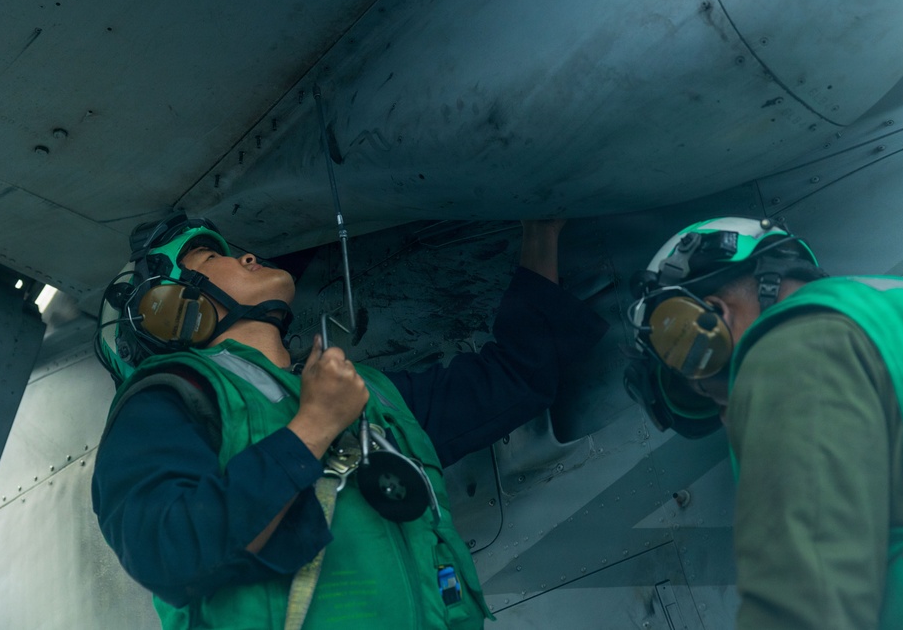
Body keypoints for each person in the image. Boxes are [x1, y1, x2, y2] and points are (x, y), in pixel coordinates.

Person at [91, 211, 607, 630]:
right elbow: (166, 549)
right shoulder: (168, 399)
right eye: (212, 256)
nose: (246, 254)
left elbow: (515, 379)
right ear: (169, 309)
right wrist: (313, 426)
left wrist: (539, 230)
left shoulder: (369, 395)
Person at [624, 216, 903, 630]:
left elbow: (805, 604)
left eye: (716, 390)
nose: (727, 414)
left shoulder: (791, 346)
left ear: (710, 316)